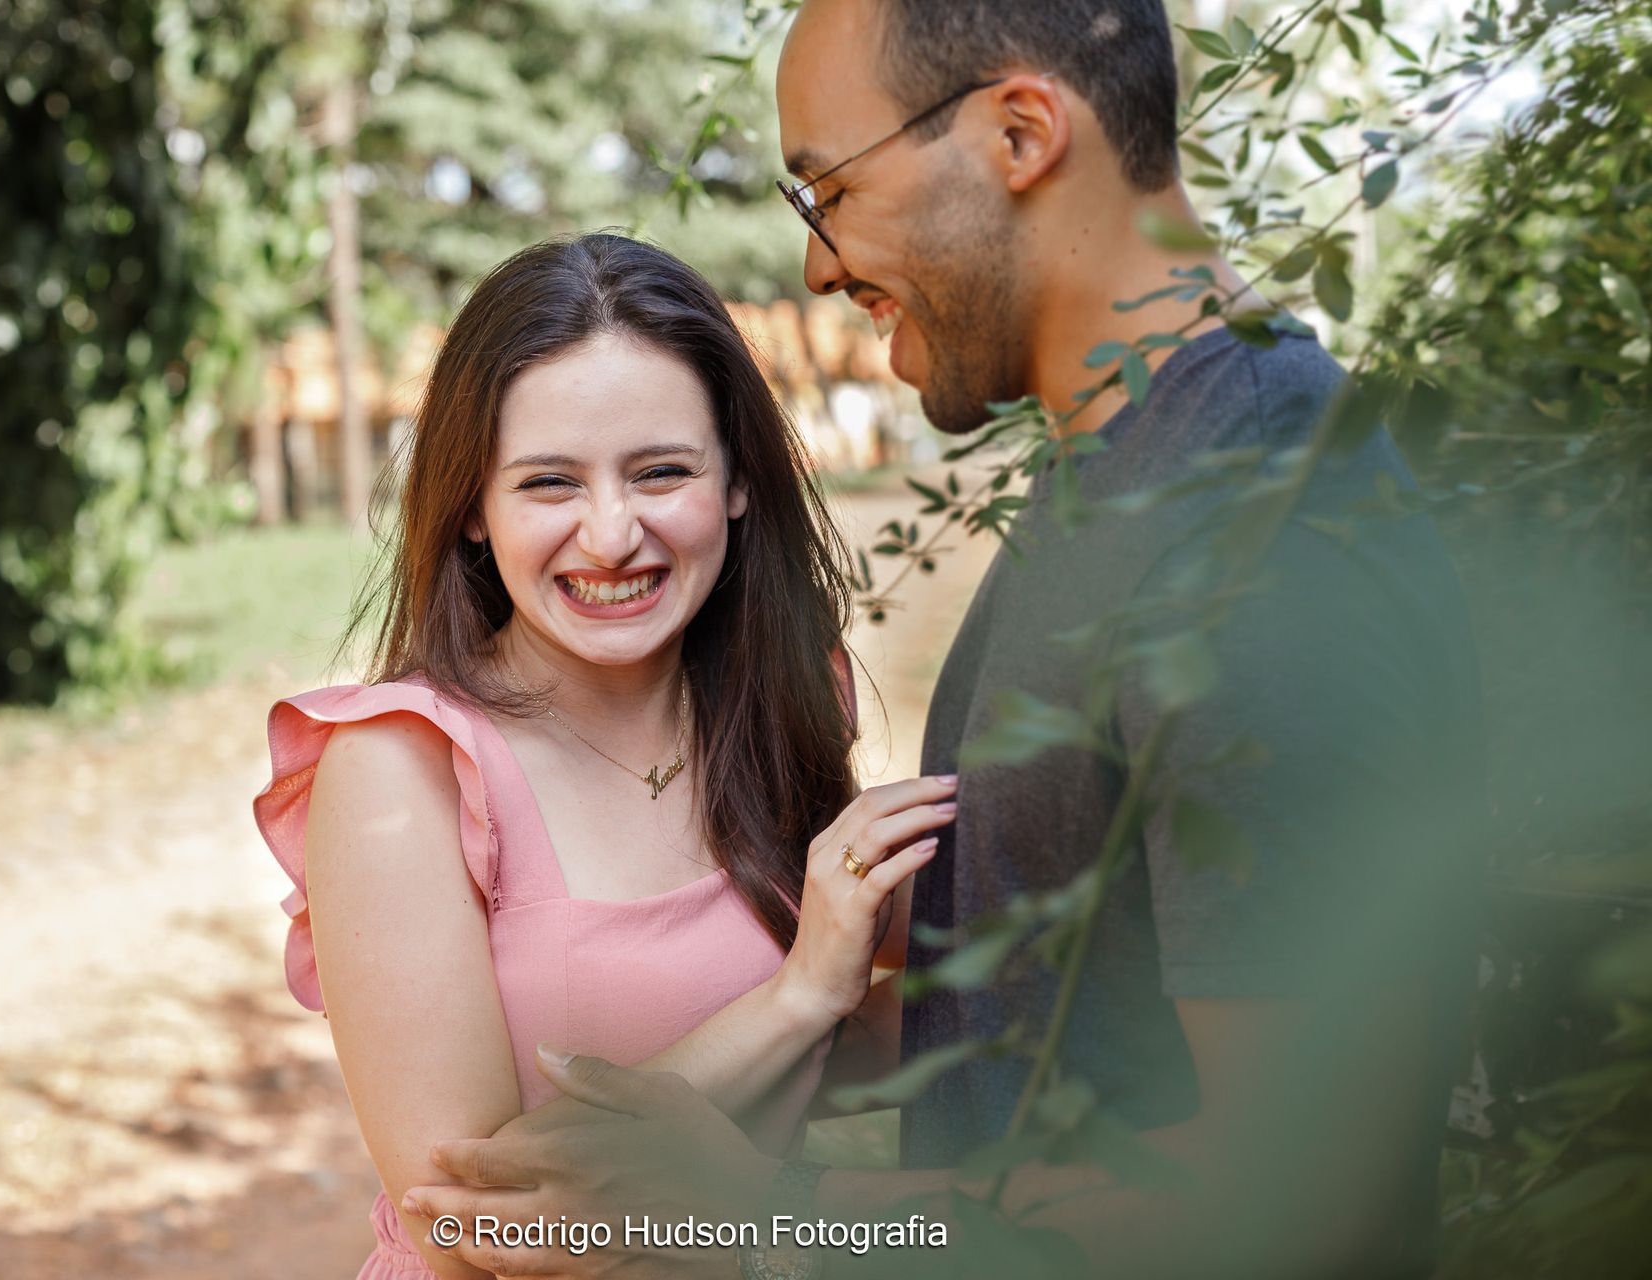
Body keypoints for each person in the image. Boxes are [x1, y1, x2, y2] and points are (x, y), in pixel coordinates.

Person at [400, 1, 1484, 1277]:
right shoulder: (1121, 478)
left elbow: (1299, 1190)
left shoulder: (1260, 529)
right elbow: (1054, 1015)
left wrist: (776, 1222)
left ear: (1020, 132)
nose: (816, 266)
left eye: (829, 190)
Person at [253, 232, 963, 1279]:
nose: (612, 533)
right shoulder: (401, 770)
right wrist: (803, 992)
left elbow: (866, 1054)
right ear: (474, 515)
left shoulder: (781, 700)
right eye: (549, 482)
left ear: (735, 484)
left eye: (660, 471)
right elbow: (482, 1216)